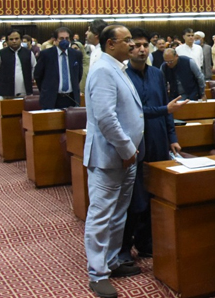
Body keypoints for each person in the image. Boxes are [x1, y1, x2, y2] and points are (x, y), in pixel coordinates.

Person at [83, 24, 144, 298]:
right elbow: (106, 118)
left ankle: (111, 262)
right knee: (101, 215)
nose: (132, 45)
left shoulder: (117, 67)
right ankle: (97, 274)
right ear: (110, 44)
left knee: (119, 214)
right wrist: (126, 148)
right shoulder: (103, 70)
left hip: (125, 157)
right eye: (127, 40)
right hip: (110, 157)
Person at [120, 28, 187, 265]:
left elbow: (166, 108)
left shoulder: (157, 74)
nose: (141, 49)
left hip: (158, 139)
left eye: (145, 45)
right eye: (135, 45)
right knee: (133, 197)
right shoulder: (122, 76)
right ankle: (124, 248)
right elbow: (134, 113)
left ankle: (146, 242)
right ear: (127, 49)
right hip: (135, 142)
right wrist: (164, 111)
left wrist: (172, 137)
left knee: (154, 193)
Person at [34, 27, 83, 109]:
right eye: (61, 38)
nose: (64, 41)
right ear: (55, 40)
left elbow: (78, 75)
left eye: (67, 38)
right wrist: (46, 90)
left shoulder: (76, 54)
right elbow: (38, 75)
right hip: (52, 98)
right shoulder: (46, 54)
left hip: (71, 98)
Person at [0, 30, 36, 98]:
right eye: (11, 39)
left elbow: (34, 68)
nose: (14, 41)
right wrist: (4, 79)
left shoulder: (29, 53)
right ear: (7, 41)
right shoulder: (1, 53)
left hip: (25, 92)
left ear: (21, 40)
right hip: (6, 93)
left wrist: (29, 78)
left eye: (16, 39)